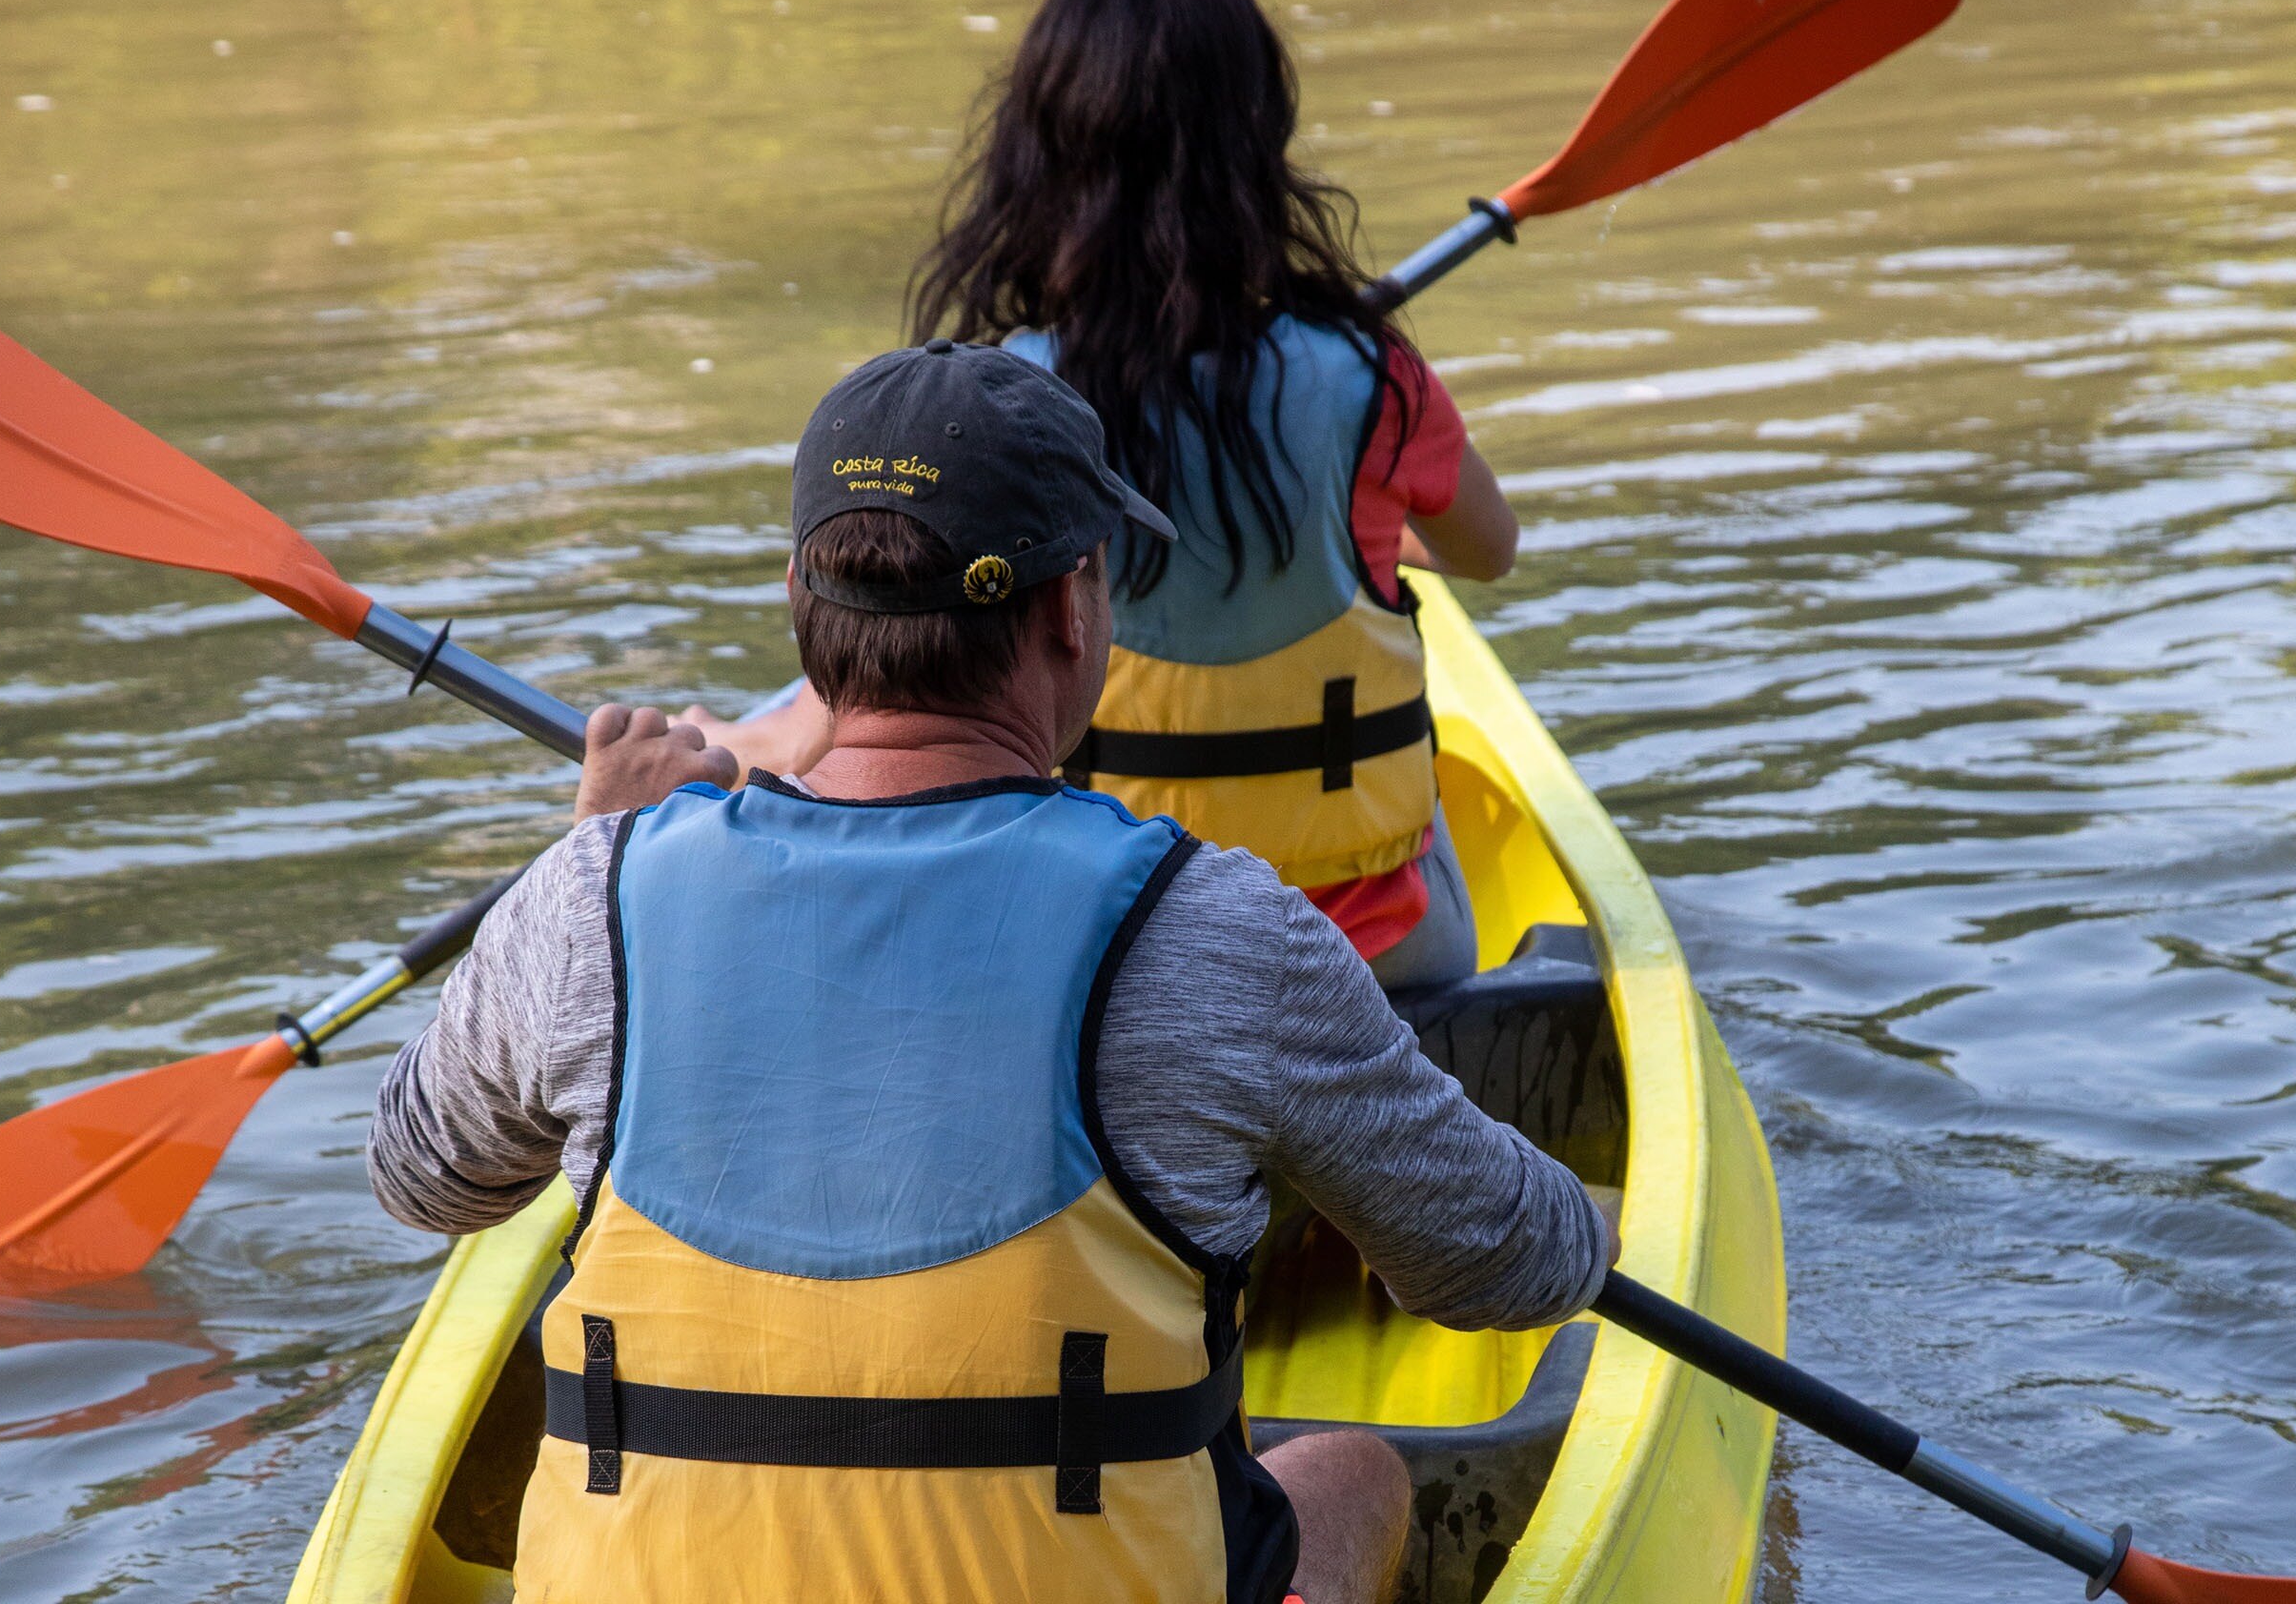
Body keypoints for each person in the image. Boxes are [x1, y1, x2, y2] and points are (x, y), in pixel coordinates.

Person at [371, 341, 1611, 1604]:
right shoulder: (1215, 929)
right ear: (1074, 606)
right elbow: (1508, 1265)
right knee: (1350, 1475)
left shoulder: (589, 897)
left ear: (802, 599)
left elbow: (428, 1181)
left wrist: (594, 842)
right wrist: (1565, 1220)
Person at [906, 0, 1519, 992]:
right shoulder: (1373, 374)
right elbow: (1490, 552)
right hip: (1374, 956)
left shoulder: (1000, 397)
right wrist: (1371, 524)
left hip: (1112, 954)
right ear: (1258, 150)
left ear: (1038, 159)